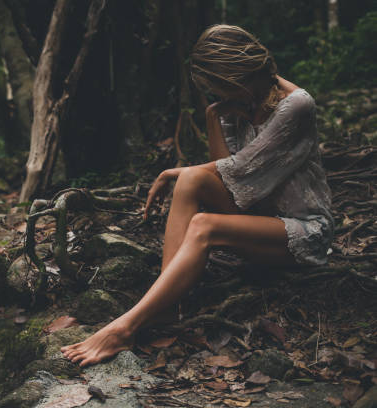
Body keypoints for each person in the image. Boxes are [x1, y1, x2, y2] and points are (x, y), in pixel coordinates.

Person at [61, 24, 334, 367]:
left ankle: (125, 327)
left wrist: (175, 171)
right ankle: (163, 307)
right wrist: (213, 116)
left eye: (218, 88)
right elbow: (227, 170)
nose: (216, 96)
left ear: (238, 75)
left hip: (303, 231)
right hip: (257, 216)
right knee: (191, 182)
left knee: (203, 222)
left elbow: (239, 171)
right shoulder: (238, 105)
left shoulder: (296, 106)